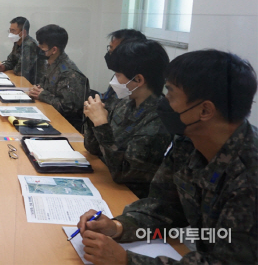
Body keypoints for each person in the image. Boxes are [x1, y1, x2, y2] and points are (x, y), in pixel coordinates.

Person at [77, 50, 257, 265]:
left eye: (171, 94)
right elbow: (163, 208)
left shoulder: (249, 175)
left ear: (205, 110)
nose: (164, 101)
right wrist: (118, 227)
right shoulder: (189, 143)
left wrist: (127, 261)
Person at [83, 40, 171, 198]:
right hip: (105, 182)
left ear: (138, 80)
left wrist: (102, 125)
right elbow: (93, 148)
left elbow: (124, 173)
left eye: (117, 75)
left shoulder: (159, 119)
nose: (113, 81)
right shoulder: (125, 103)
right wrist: (92, 119)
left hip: (130, 196)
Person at [29, 24, 89, 131]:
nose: (38, 48)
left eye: (42, 46)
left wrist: (42, 95)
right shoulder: (51, 64)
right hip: (48, 116)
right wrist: (36, 90)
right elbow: (43, 87)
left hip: (65, 127)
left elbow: (68, 109)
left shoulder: (69, 73)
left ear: (54, 50)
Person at [101, 29, 147, 110]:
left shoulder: (132, 85)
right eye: (110, 49)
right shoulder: (119, 77)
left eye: (114, 52)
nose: (110, 54)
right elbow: (108, 102)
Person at [0, 16, 45, 84]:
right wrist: (4, 66)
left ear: (23, 32)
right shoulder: (17, 42)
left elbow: (20, 71)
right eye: (10, 30)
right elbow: (11, 60)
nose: (10, 33)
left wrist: (13, 66)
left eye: (13, 31)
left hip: (33, 84)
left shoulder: (29, 45)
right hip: (22, 80)